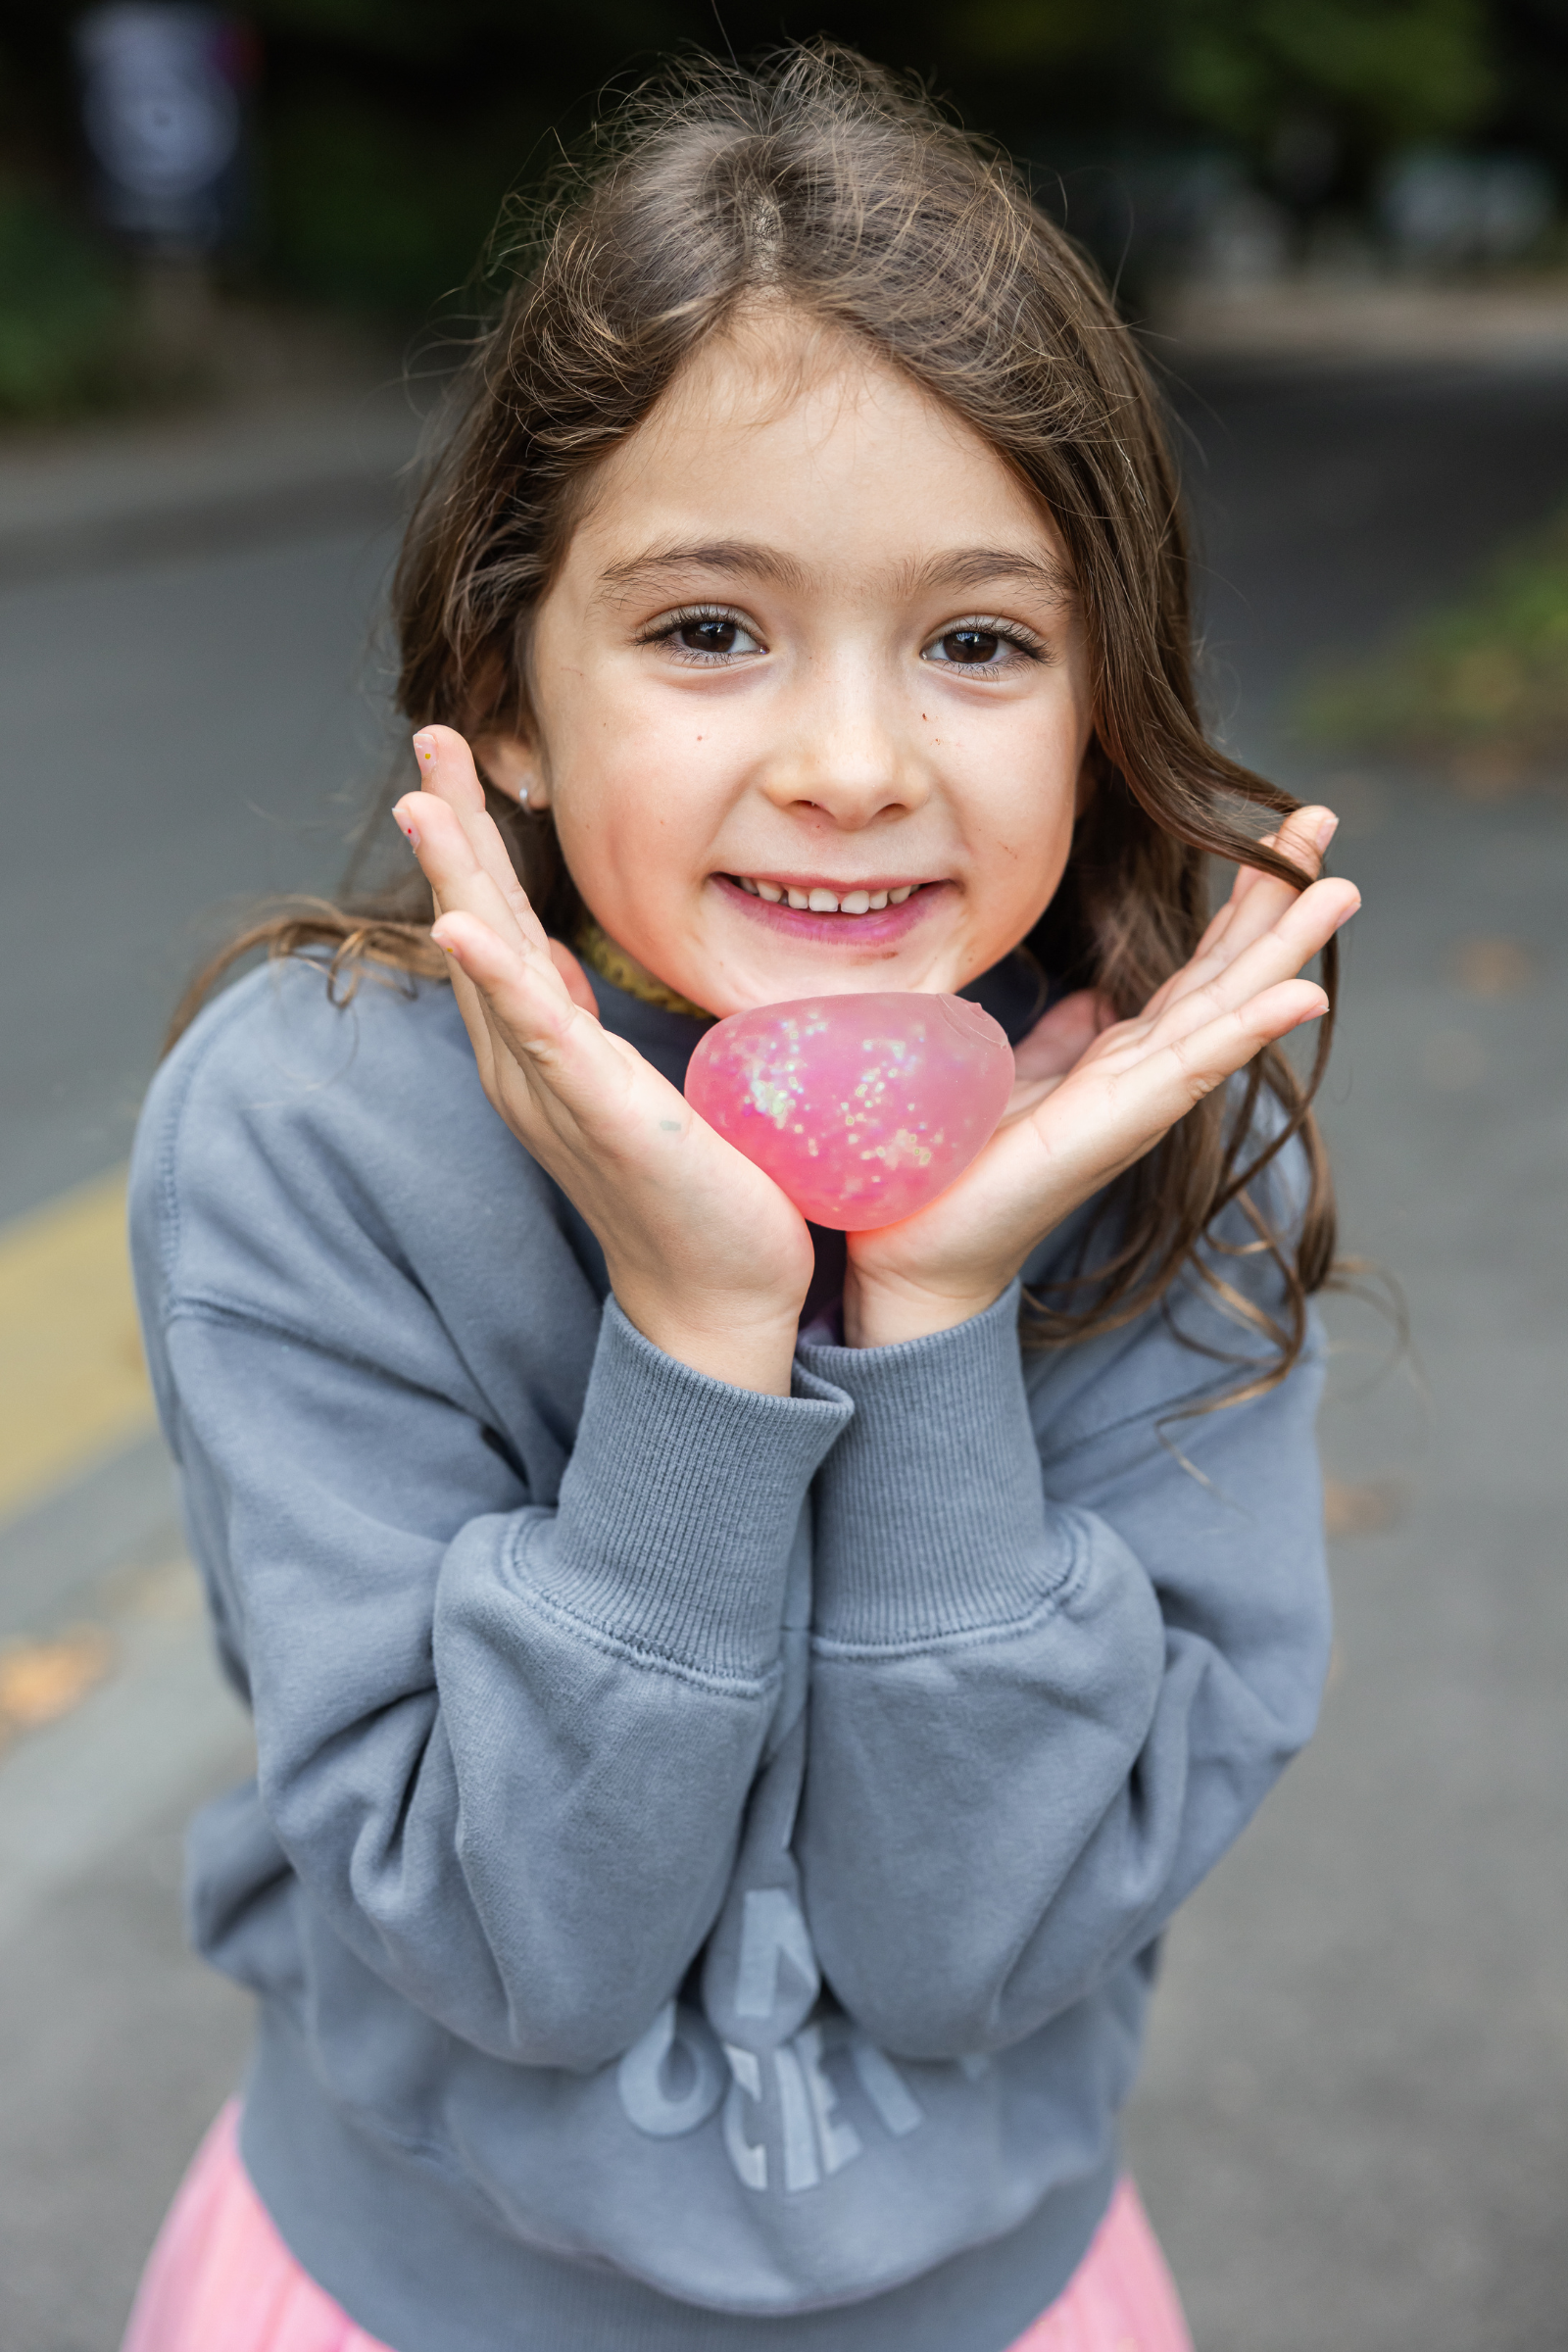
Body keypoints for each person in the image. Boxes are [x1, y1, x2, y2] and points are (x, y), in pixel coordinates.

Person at [122, 45, 1358, 2352]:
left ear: (1098, 703)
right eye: (706, 629)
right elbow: (523, 1954)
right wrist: (697, 1335)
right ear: (501, 681)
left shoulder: (1160, 1140)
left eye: (978, 641)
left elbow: (963, 1947)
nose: (850, 765)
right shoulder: (309, 1137)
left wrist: (945, 1309)